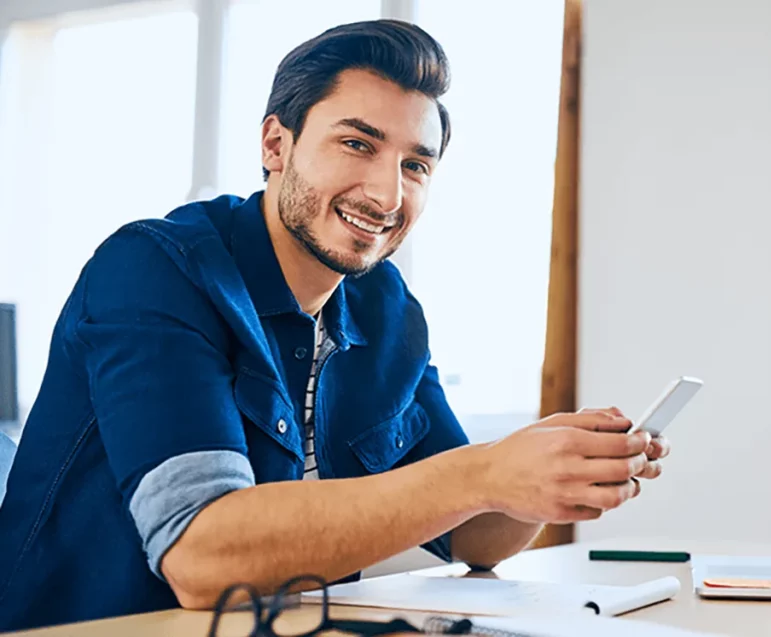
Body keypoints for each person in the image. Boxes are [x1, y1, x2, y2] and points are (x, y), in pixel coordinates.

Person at [0, 19, 670, 631]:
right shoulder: (155, 269)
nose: (387, 194)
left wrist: (552, 476)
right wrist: (484, 471)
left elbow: (475, 538)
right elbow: (202, 555)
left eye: (416, 164)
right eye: (357, 143)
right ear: (275, 144)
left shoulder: (387, 308)